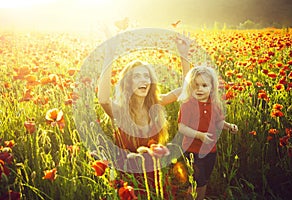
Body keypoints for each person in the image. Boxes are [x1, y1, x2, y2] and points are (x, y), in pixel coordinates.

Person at [97, 34, 190, 198]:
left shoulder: (156, 104)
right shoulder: (120, 111)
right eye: (137, 76)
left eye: (146, 76)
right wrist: (109, 56)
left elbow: (186, 89)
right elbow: (103, 99)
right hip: (129, 181)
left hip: (155, 177)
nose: (144, 80)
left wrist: (184, 54)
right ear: (128, 83)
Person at [177, 65, 238, 200]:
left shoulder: (215, 105)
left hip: (210, 150)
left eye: (204, 85)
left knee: (204, 180)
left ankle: (200, 197)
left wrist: (229, 126)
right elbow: (181, 127)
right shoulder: (187, 105)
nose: (199, 89)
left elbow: (218, 122)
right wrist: (199, 135)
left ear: (211, 87)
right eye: (196, 85)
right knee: (197, 180)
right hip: (193, 150)